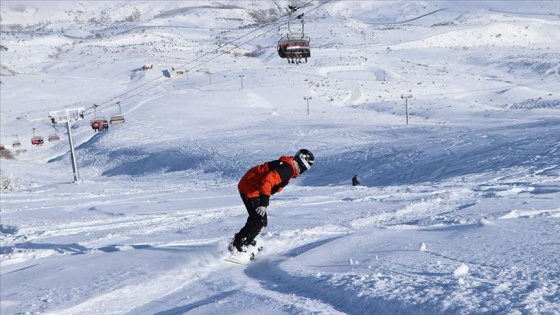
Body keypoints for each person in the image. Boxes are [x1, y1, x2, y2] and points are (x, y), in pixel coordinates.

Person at [230, 149, 315, 252]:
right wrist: (263, 203)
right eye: (308, 166)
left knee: (257, 219)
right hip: (250, 188)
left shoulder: (289, 167)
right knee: (259, 221)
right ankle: (238, 246)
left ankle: (244, 240)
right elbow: (267, 182)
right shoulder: (288, 169)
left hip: (253, 187)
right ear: (304, 163)